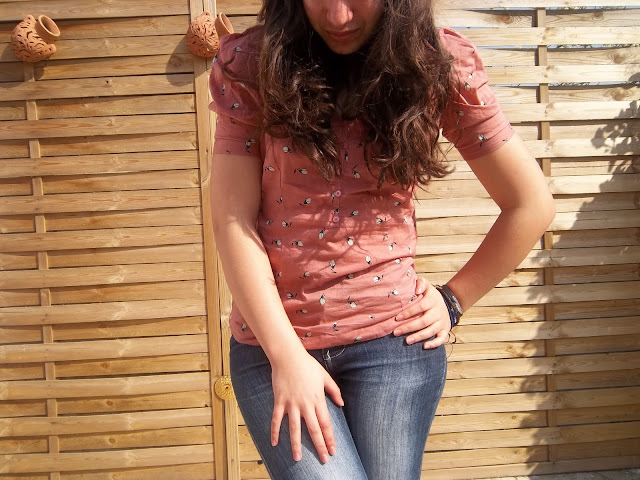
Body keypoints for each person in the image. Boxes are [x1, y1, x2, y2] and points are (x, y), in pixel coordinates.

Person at [208, 1, 555, 479]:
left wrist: (454, 300)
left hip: (393, 347)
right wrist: (286, 357)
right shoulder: (254, 65)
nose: (338, 16)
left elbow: (531, 204)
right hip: (272, 347)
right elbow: (233, 220)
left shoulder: (437, 66)